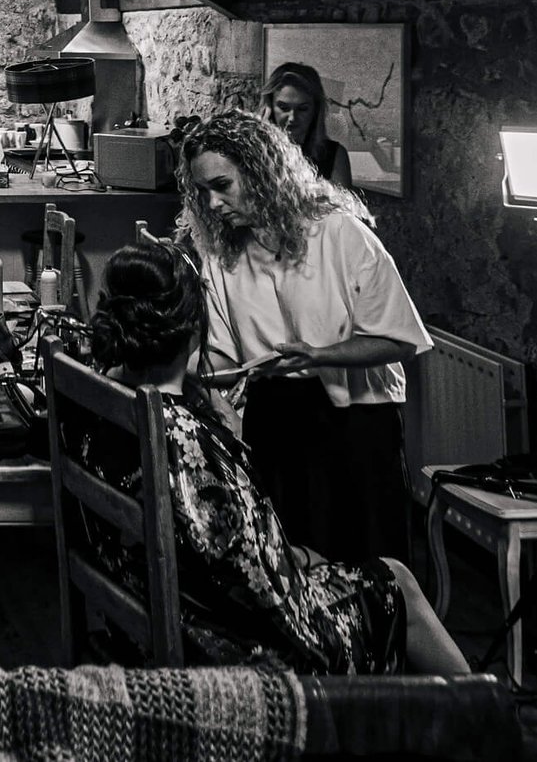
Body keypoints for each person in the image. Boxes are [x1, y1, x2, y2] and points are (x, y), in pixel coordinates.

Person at [72, 236, 469, 676]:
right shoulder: (191, 444)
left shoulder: (98, 403)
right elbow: (260, 591)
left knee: (339, 563)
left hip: (141, 621)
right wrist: (295, 554)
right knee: (398, 581)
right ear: (193, 333)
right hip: (226, 648)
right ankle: (485, 716)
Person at [182, 109, 430, 564]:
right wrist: (176, 366)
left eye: (222, 186)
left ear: (261, 171)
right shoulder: (223, 254)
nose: (214, 204)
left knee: (366, 563)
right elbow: (221, 357)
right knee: (290, 562)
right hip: (275, 416)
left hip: (355, 422)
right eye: (203, 192)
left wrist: (322, 354)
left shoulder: (340, 234)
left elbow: (402, 340)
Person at [262, 63, 355, 189]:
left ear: (315, 110)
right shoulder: (255, 152)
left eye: (302, 109)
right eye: (284, 108)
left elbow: (345, 207)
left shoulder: (334, 156)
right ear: (270, 107)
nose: (292, 118)